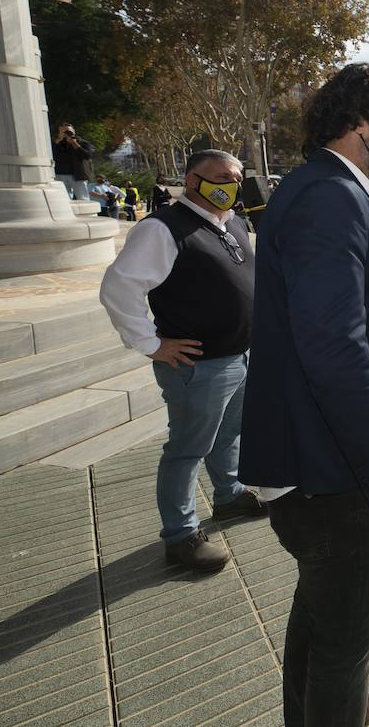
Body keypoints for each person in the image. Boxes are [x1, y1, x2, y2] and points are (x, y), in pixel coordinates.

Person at [240, 64, 369, 727]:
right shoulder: (330, 199)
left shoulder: (328, 188)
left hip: (323, 468)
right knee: (346, 631)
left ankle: (324, 708)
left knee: (321, 616)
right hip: (337, 478)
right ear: (362, 126)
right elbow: (335, 351)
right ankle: (335, 709)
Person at [99, 149, 263, 572]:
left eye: (236, 177)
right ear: (192, 180)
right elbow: (119, 288)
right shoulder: (162, 228)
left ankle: (228, 496)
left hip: (240, 355)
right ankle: (180, 534)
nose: (231, 184)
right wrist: (152, 344)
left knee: (229, 436)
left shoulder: (234, 223)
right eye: (221, 177)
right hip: (199, 366)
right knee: (188, 449)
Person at [51, 122, 95, 200]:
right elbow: (49, 154)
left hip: (78, 175)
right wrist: (58, 139)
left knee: (83, 198)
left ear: (73, 131)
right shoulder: (56, 143)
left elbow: (87, 155)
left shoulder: (82, 143)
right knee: (64, 199)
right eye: (64, 132)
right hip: (60, 174)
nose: (67, 134)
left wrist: (74, 144)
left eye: (69, 131)